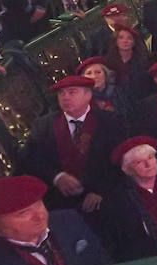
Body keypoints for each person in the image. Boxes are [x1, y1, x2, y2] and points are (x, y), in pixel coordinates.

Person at [20, 74, 126, 213]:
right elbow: (30, 159)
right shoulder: (43, 125)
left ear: (88, 95)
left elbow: (121, 161)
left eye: (72, 92)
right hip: (61, 203)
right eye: (61, 93)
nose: (66, 97)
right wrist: (57, 177)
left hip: (104, 199)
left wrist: (101, 191)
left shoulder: (110, 121)